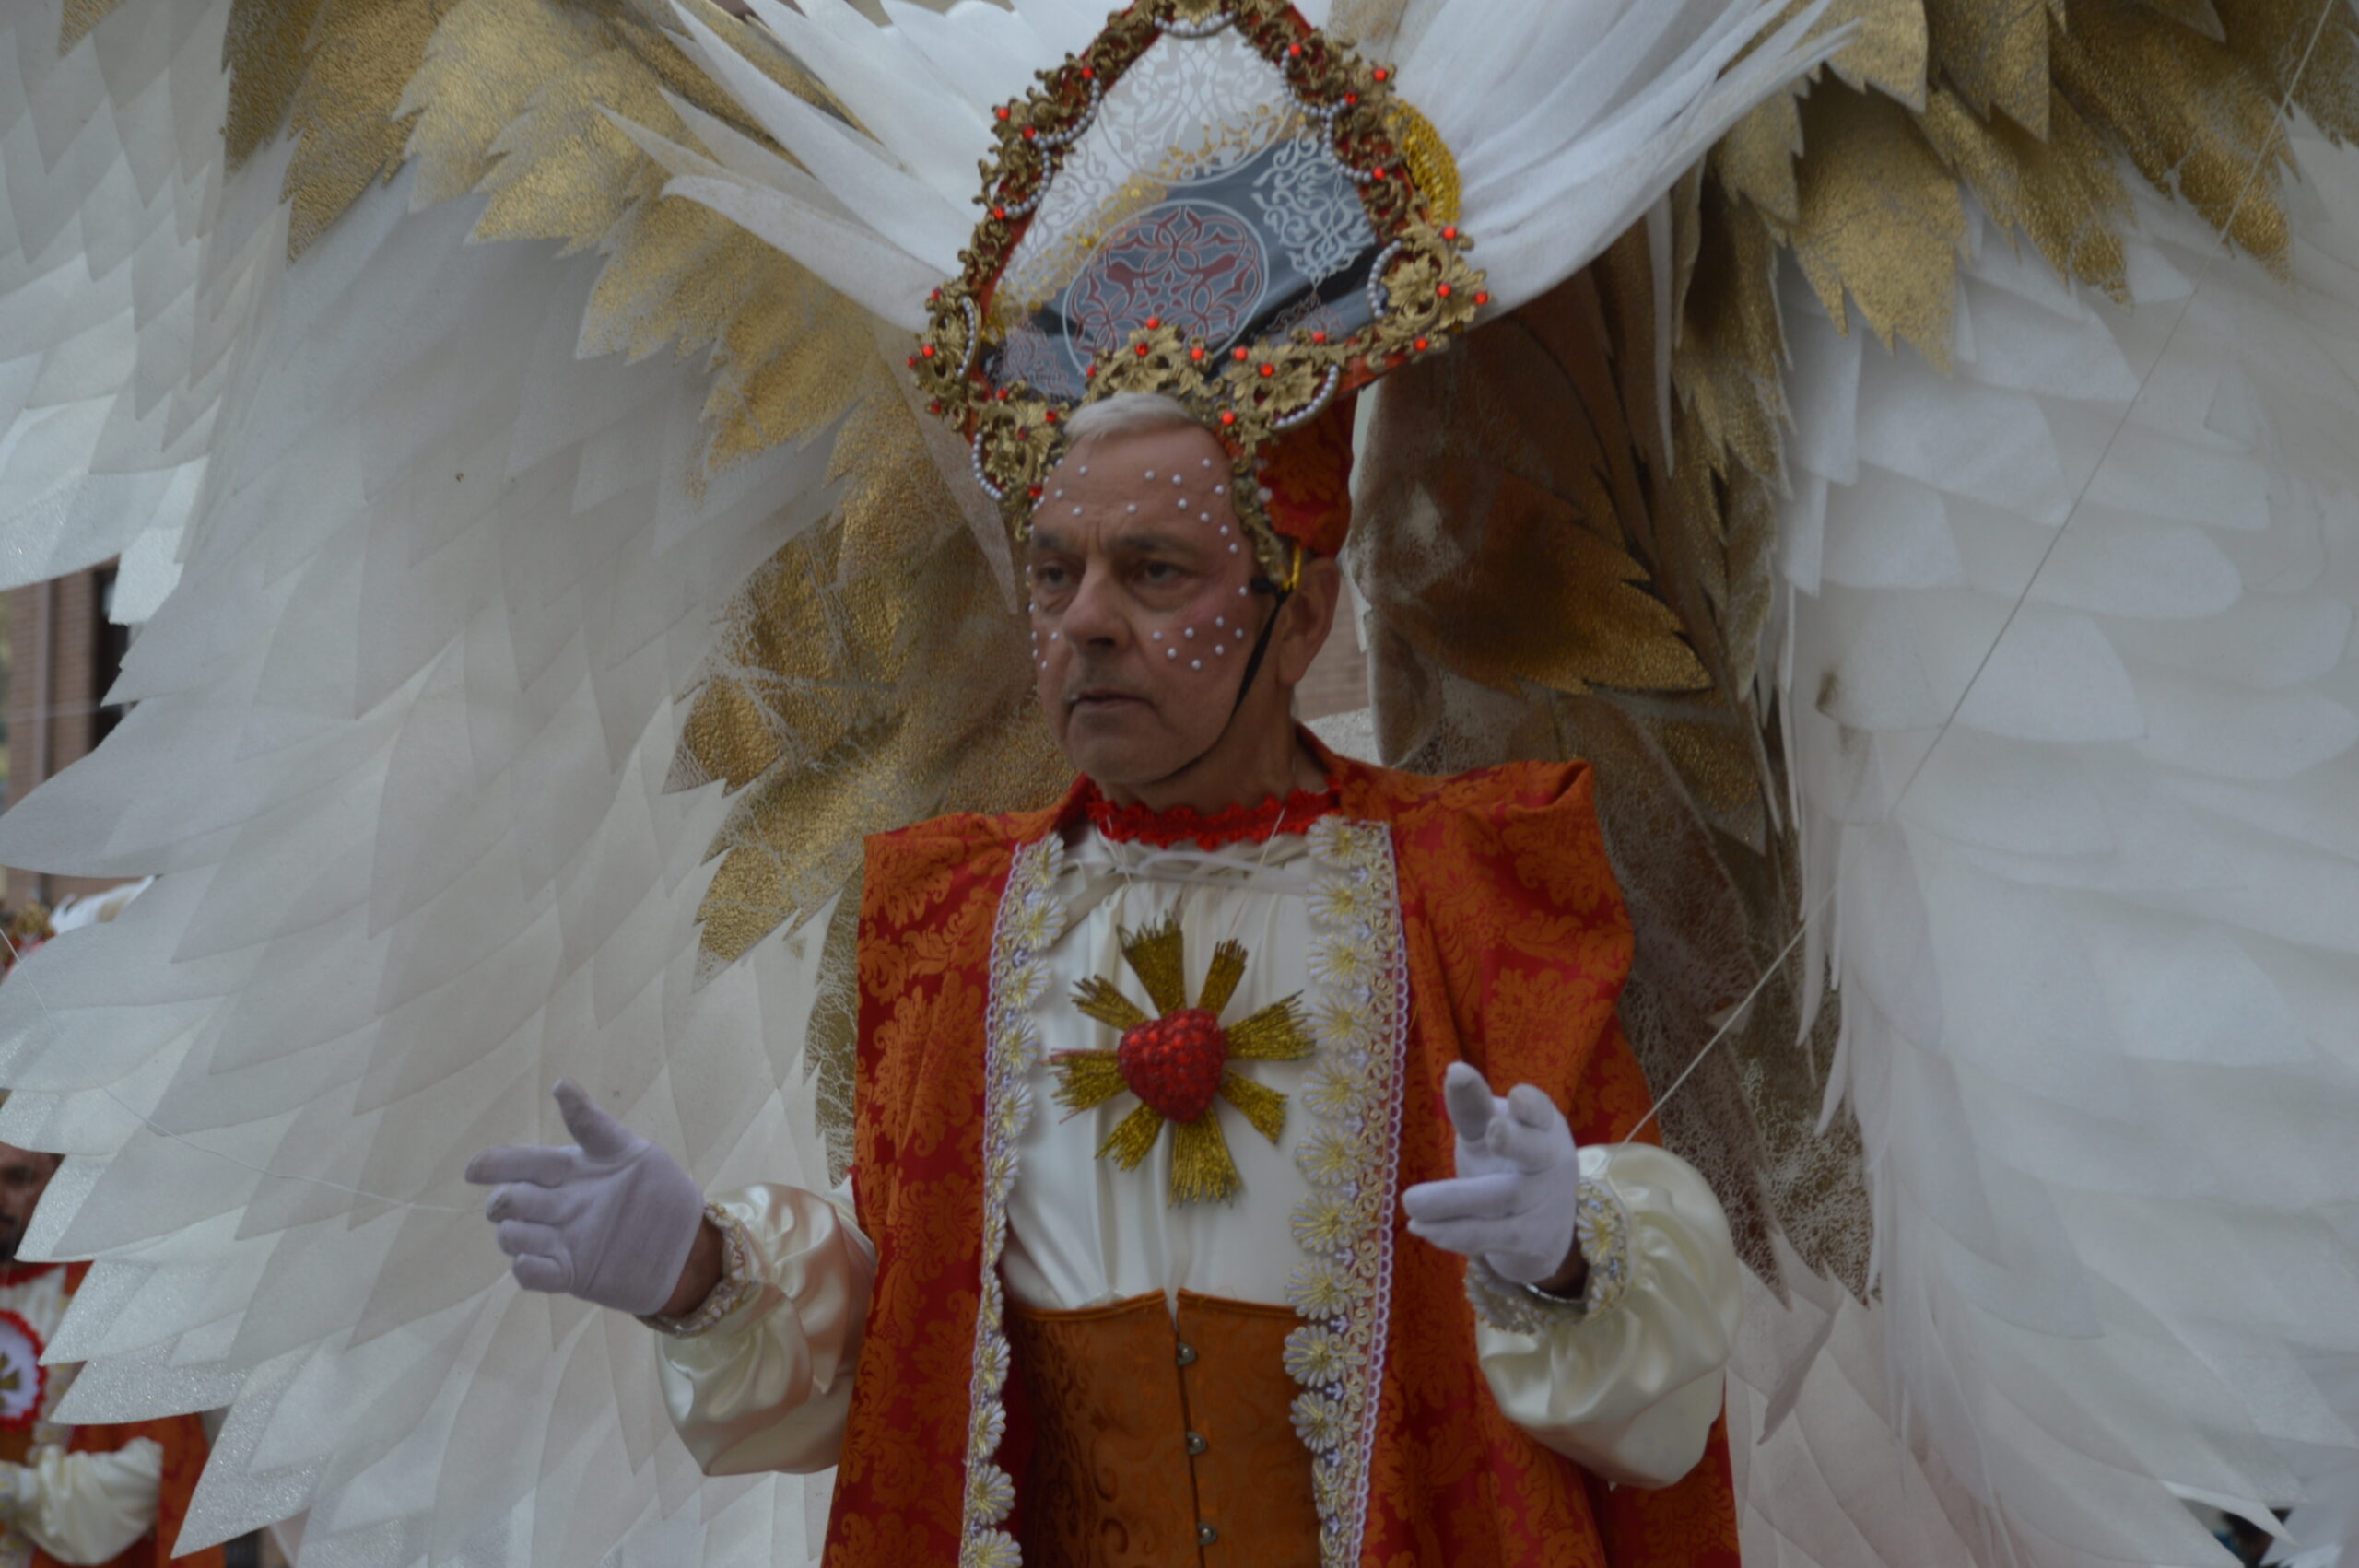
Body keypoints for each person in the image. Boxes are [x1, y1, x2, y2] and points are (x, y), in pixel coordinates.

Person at [470, 385, 1745, 1564]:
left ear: (1299, 615)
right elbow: (909, 1364)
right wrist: (699, 1270)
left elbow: (1659, 1403)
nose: (1084, 619)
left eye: (1152, 571)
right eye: (1053, 571)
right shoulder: (958, 918)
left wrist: (1575, 1255)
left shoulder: (1467, 894)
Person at [0, 1141, 218, 1568]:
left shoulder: (117, 1303)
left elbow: (158, 1468)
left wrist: (19, 1490)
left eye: (16, 1178)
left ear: (62, 1181)